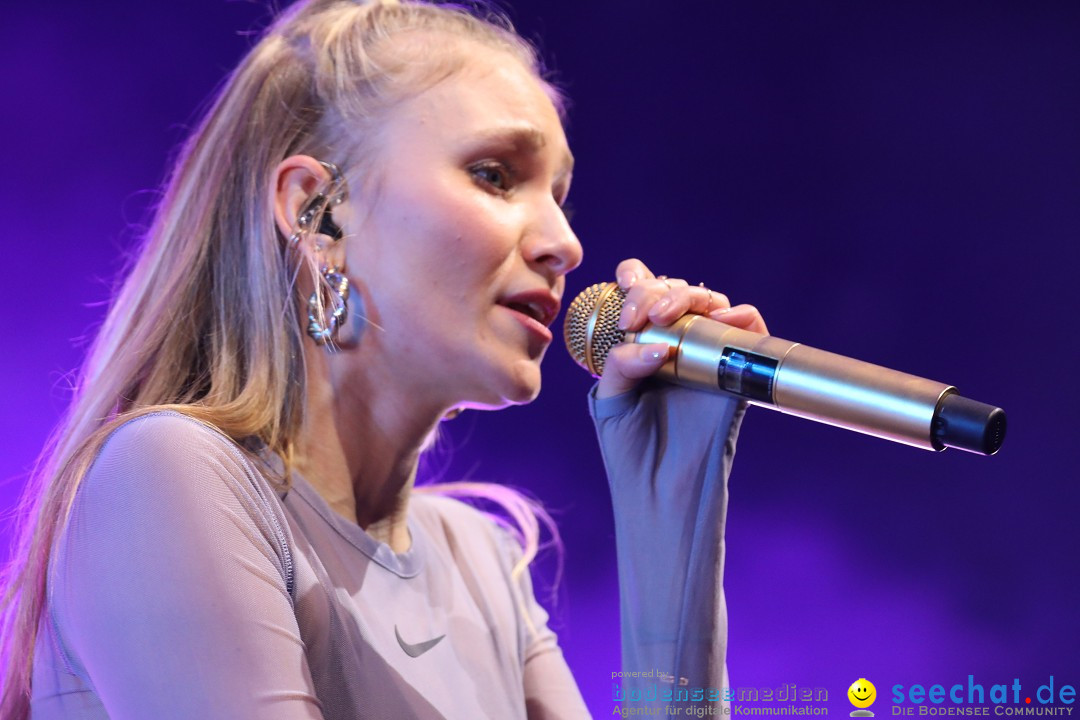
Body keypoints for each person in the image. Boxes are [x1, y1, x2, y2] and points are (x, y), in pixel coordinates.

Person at [0, 1, 768, 718]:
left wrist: (670, 504)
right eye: (494, 175)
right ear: (318, 211)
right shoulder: (169, 475)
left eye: (561, 195)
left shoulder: (481, 561)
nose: (565, 243)